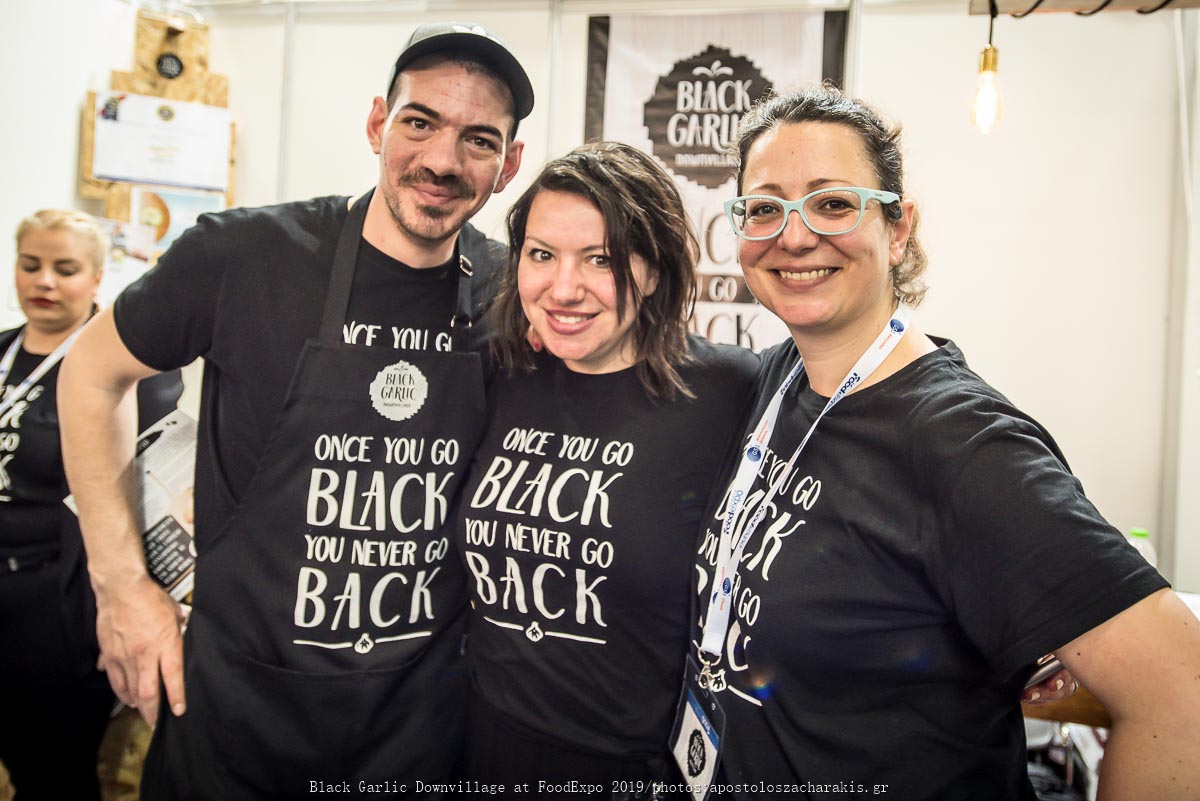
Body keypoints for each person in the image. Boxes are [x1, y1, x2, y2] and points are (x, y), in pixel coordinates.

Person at [57, 22, 531, 800]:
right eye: (420, 122)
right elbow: (90, 371)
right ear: (377, 123)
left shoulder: (512, 291)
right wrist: (120, 586)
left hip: (416, 731)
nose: (443, 161)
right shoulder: (243, 254)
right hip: (236, 715)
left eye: (479, 140)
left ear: (508, 165)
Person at [689, 84, 1200, 800]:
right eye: (765, 208)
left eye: (833, 203)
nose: (795, 236)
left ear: (898, 229)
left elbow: (1182, 700)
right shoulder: (780, 381)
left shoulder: (966, 445)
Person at [455, 142, 759, 797]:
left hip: (636, 767)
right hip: (482, 746)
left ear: (653, 269)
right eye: (542, 255)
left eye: (601, 259)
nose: (564, 288)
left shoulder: (729, 391)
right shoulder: (502, 370)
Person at [0, 210, 181, 801]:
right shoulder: (3, 351)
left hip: (57, 600)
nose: (44, 281)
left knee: (52, 771)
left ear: (98, 278)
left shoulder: (122, 367)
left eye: (65, 269)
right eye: (30, 265)